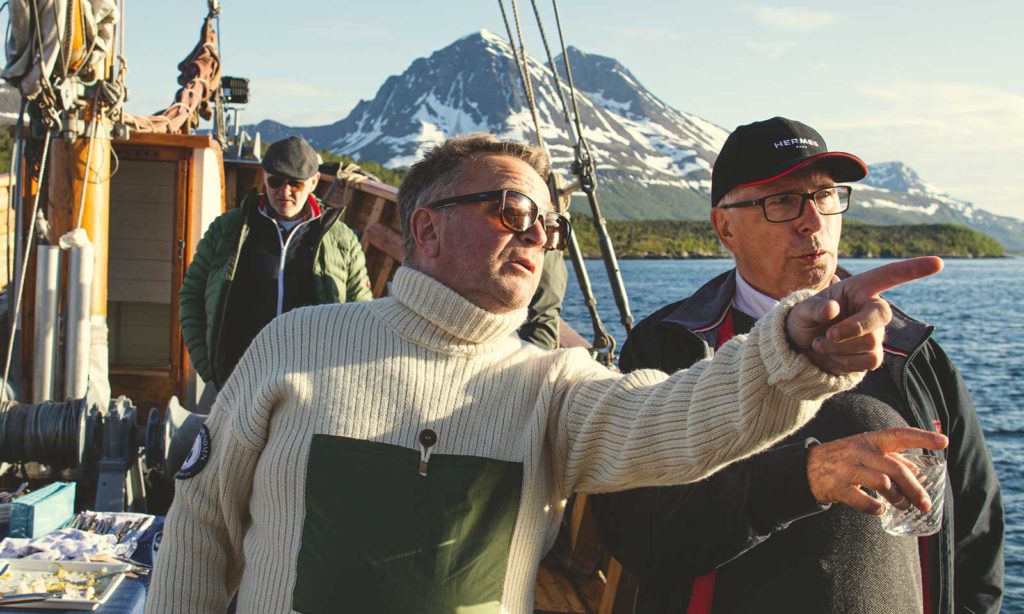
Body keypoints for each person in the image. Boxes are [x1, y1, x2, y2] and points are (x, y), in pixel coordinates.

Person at [146, 133, 945, 614]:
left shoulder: (552, 385)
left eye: (548, 222)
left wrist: (793, 352)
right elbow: (199, 528)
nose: (535, 232)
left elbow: (680, 420)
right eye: (508, 209)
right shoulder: (297, 346)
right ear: (423, 228)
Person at [591, 117, 1003, 613]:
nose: (812, 220)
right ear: (726, 227)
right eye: (782, 200)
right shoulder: (671, 346)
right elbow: (638, 533)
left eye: (826, 195)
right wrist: (806, 476)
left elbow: (975, 533)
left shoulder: (912, 351)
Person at [178, 135, 372, 394]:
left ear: (314, 182)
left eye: (296, 183)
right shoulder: (227, 230)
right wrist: (208, 367)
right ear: (264, 177)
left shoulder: (343, 240)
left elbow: (362, 315)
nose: (284, 192)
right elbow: (191, 295)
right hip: (238, 382)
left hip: (311, 388)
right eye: (275, 181)